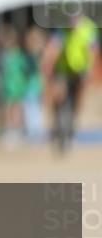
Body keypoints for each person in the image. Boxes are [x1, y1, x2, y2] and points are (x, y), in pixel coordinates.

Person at [41, 13, 99, 151]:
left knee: (79, 98)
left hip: (80, 69)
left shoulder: (88, 28)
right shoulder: (61, 28)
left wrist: (89, 69)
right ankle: (56, 124)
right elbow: (53, 48)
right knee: (58, 94)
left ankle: (72, 127)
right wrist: (48, 65)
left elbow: (92, 50)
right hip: (63, 69)